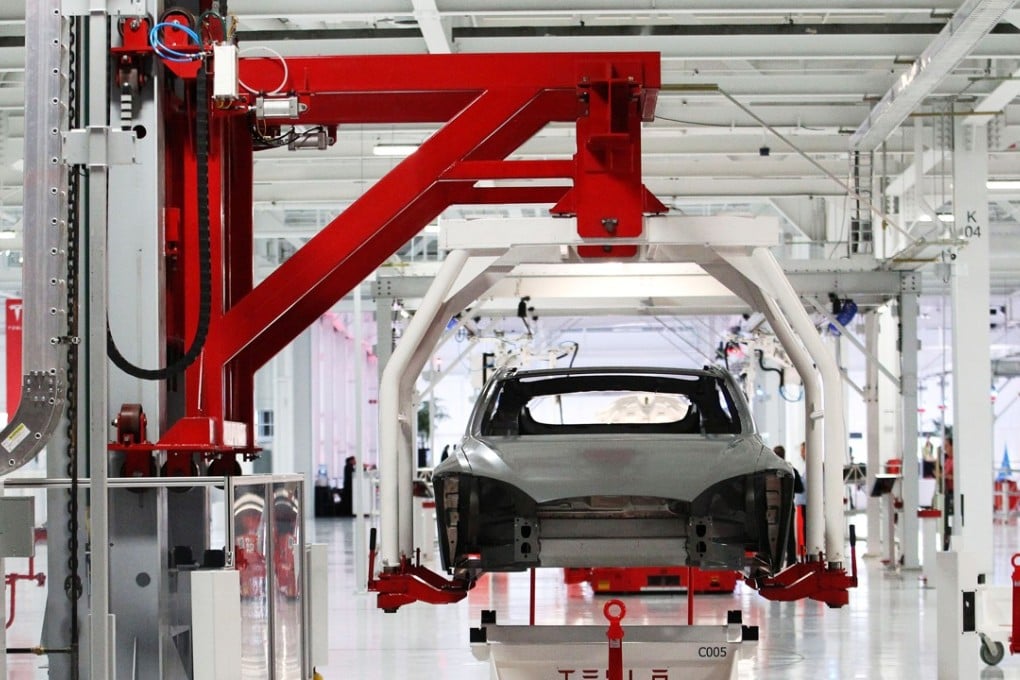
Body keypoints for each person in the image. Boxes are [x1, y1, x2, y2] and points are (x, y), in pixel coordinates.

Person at [774, 445, 804, 567]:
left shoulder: (770, 471)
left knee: (774, 534)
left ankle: (775, 562)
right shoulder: (791, 470)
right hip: (788, 507)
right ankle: (791, 561)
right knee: (789, 535)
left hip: (773, 507)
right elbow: (800, 488)